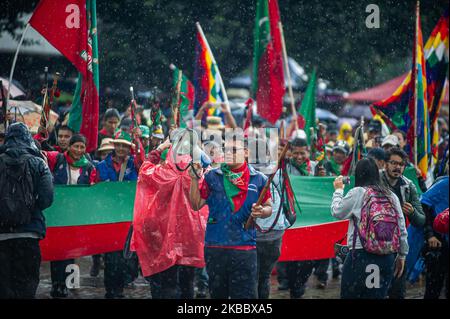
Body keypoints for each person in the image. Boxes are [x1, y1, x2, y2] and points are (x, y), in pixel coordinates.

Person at [189, 137, 272, 299]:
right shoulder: (213, 176)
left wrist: (261, 211)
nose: (229, 154)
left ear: (246, 153)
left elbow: (269, 207)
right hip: (215, 247)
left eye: (234, 150)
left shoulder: (259, 179)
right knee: (217, 294)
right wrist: (193, 179)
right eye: (226, 150)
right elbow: (196, 204)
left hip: (245, 248)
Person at [331, 158, 409, 299]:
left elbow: (337, 212)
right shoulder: (391, 195)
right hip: (387, 257)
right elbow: (401, 228)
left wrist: (338, 190)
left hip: (360, 256)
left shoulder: (358, 193)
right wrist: (402, 255)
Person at [0, 123, 54, 298]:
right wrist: (30, 208)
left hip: (2, 236)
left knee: (4, 287)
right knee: (27, 286)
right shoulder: (39, 163)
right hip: (29, 234)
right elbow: (47, 199)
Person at [45, 134, 97, 298]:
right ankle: (57, 286)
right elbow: (40, 152)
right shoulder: (57, 159)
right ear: (69, 146)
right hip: (59, 215)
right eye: (76, 146)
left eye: (82, 147)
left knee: (72, 252)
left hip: (76, 216)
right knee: (57, 252)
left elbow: (92, 188)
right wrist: (42, 135)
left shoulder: (89, 167)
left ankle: (69, 285)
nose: (79, 150)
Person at [96, 130, 144, 298]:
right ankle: (112, 291)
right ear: (114, 145)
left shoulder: (135, 165)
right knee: (111, 257)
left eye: (125, 146)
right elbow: (96, 190)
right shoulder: (101, 166)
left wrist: (138, 140)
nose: (121, 149)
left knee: (128, 258)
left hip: (129, 218)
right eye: (119, 145)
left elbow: (145, 164)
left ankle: (122, 285)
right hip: (109, 218)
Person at [378, 147, 425, 299]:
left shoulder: (408, 186)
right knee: (374, 291)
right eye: (393, 163)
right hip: (374, 246)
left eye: (401, 164)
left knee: (397, 292)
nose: (397, 167)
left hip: (397, 248)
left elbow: (421, 221)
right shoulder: (374, 180)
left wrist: (411, 213)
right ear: (385, 164)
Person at [421, 170, 448, 299]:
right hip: (439, 243)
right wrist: (430, 234)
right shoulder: (443, 184)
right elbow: (424, 205)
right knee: (433, 288)